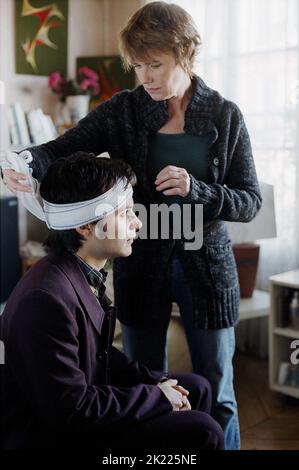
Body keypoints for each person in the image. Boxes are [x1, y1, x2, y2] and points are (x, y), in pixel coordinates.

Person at [1, 2, 262, 450]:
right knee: (146, 385)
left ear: (185, 53)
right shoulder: (122, 110)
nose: (145, 77)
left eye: (155, 64)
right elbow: (63, 147)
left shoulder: (225, 115)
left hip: (207, 273)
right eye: (138, 66)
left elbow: (249, 201)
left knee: (217, 394)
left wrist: (199, 189)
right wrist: (25, 162)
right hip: (142, 267)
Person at [0, 152, 224, 451]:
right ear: (84, 227)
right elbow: (71, 411)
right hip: (57, 435)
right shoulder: (44, 300)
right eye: (125, 213)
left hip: (82, 406)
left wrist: (158, 382)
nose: (138, 224)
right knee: (203, 431)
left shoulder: (80, 271)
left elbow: (102, 357)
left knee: (198, 387)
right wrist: (157, 397)